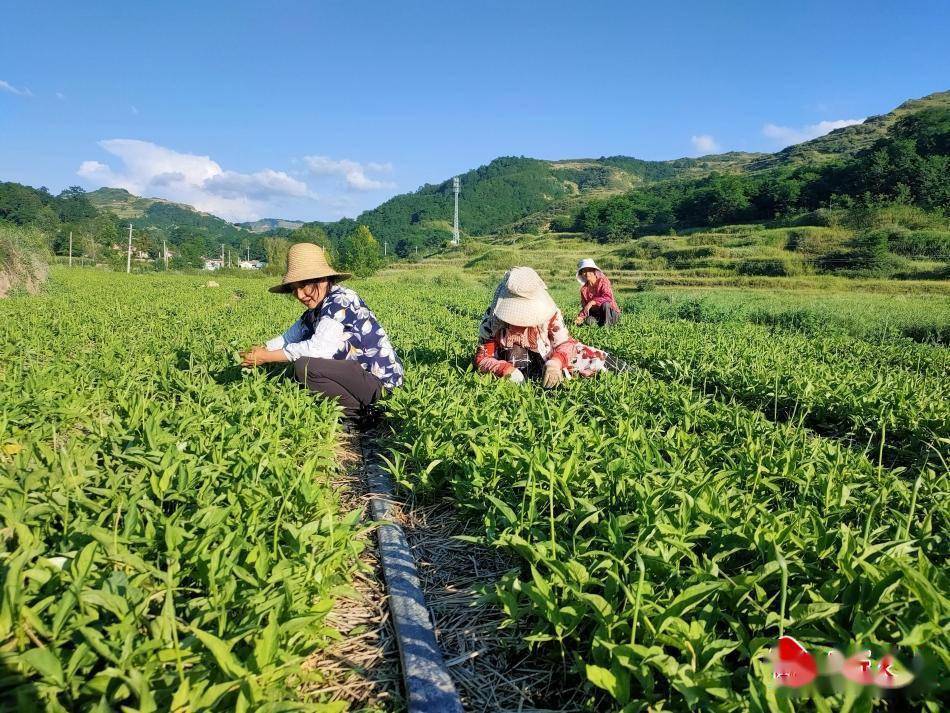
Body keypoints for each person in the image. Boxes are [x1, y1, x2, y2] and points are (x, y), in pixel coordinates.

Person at [240, 242, 403, 419]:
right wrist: (257, 350)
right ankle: (357, 411)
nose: (300, 295)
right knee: (297, 370)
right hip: (360, 380)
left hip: (381, 387)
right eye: (295, 289)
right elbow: (288, 338)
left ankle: (364, 414)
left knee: (304, 366)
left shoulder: (340, 300)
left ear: (323, 279)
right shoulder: (316, 311)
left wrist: (266, 357)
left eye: (304, 286)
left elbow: (318, 349)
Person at [474, 266, 609, 387]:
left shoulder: (550, 313)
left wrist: (556, 362)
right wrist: (505, 370)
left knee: (588, 357)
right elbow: (483, 357)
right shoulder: (492, 319)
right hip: (508, 359)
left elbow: (564, 342)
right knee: (516, 356)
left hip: (545, 353)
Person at [574, 258, 621, 327]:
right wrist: (580, 317)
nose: (587, 273)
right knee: (589, 320)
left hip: (611, 314)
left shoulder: (603, 281)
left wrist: (592, 302)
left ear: (594, 271)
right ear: (582, 273)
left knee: (605, 304)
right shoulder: (584, 289)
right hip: (598, 315)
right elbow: (585, 307)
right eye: (584, 271)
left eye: (589, 270)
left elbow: (608, 297)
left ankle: (608, 328)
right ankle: (602, 325)